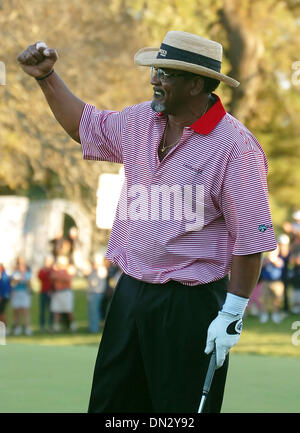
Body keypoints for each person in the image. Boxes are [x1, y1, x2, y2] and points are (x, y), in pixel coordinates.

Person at [17, 31, 277, 413]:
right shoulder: (141, 120)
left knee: (177, 412)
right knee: (111, 407)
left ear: (196, 83)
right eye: (156, 69)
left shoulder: (236, 146)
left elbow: (250, 243)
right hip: (131, 294)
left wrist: (232, 315)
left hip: (191, 304)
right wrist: (46, 78)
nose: (154, 79)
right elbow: (83, 126)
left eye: (166, 73)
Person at [50, 256, 76, 332]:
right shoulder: (55, 270)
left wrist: (59, 277)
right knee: (56, 310)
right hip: (57, 292)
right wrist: (60, 277)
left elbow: (68, 279)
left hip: (66, 292)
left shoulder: (68, 270)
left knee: (69, 310)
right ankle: (56, 327)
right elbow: (52, 277)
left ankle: (72, 325)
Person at [259, 247, 285, 323]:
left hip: (277, 282)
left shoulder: (279, 259)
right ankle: (264, 314)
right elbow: (261, 266)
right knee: (264, 299)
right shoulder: (265, 259)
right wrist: (267, 260)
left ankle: (275, 314)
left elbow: (279, 265)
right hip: (265, 282)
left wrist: (273, 260)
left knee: (277, 299)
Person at [10, 257, 33, 336]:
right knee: (16, 311)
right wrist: (17, 280)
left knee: (25, 310)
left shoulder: (27, 273)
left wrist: (26, 282)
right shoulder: (15, 272)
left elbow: (29, 283)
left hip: (25, 293)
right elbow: (12, 283)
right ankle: (17, 327)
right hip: (16, 292)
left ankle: (27, 328)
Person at [85, 258, 108, 334]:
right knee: (91, 311)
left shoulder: (101, 270)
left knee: (95, 311)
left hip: (97, 293)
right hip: (91, 292)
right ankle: (92, 327)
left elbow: (101, 275)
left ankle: (94, 328)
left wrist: (96, 268)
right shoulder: (92, 270)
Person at [37, 255, 54, 332]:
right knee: (42, 310)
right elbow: (40, 277)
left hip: (51, 292)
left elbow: (53, 280)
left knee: (51, 310)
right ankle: (42, 326)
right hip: (43, 292)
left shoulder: (53, 270)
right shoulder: (42, 270)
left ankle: (51, 326)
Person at [0, 263, 12, 328]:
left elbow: (4, 287)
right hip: (4, 296)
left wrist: (1, 296)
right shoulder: (3, 275)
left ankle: (5, 327)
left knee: (1, 313)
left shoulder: (4, 276)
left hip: (3, 297)